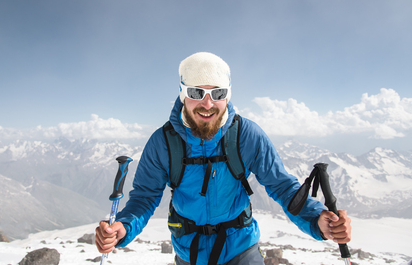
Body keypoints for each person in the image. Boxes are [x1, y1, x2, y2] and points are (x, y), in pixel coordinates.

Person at [95, 52, 352, 265]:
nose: (207, 103)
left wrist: (318, 221)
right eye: (196, 92)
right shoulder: (163, 142)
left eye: (217, 93)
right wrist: (124, 227)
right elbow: (144, 197)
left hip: (242, 249)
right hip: (189, 252)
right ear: (183, 94)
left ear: (227, 96)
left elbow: (283, 187)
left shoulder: (246, 135)